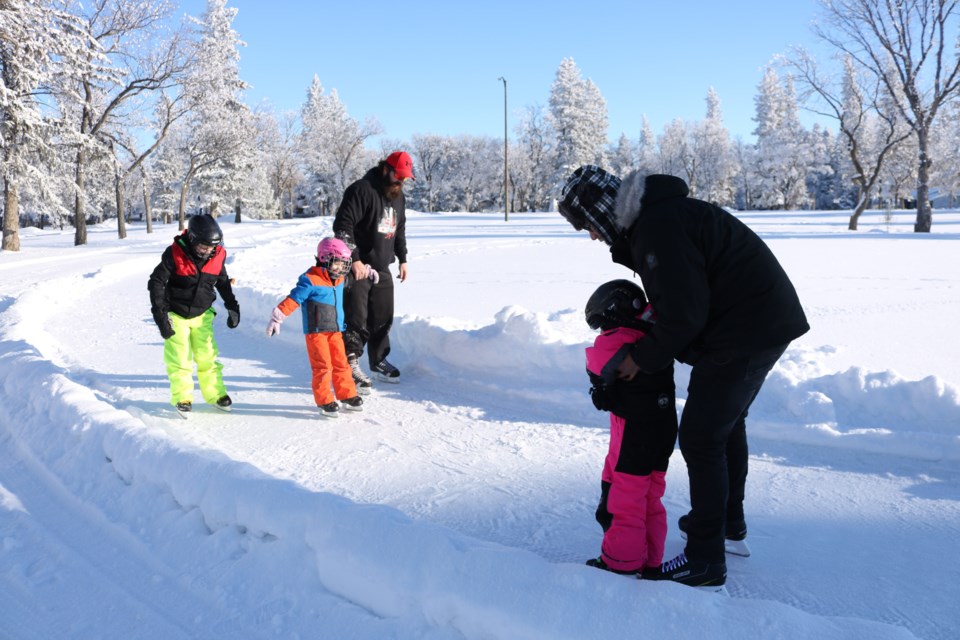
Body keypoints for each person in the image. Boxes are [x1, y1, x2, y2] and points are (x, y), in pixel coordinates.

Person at [559, 165, 809, 589]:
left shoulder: (656, 227)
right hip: (757, 322)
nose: (593, 236)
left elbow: (683, 314)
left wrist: (640, 358)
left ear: (601, 211)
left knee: (701, 437)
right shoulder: (660, 218)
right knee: (724, 426)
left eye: (588, 226)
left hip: (746, 328)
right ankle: (728, 527)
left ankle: (704, 559)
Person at [583, 279, 678, 576]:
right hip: (662, 427)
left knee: (624, 496)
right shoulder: (655, 336)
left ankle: (620, 562)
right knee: (650, 494)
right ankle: (650, 559)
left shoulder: (620, 338)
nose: (601, 331)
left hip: (634, 432)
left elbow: (595, 364)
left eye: (601, 323)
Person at [265, 237, 375, 418]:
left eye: (343, 265)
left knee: (341, 363)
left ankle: (347, 394)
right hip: (317, 333)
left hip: (336, 330)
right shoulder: (310, 280)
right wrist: (278, 317)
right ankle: (324, 400)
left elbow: (352, 277)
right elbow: (294, 299)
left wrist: (368, 271)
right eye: (337, 264)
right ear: (324, 259)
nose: (340, 269)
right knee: (323, 366)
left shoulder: (339, 278)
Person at [333, 150, 413, 388]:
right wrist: (354, 259)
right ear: (386, 169)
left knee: (382, 317)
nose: (401, 182)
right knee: (356, 317)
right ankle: (350, 362)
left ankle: (378, 360)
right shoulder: (361, 190)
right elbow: (342, 226)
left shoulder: (398, 197)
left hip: (382, 266)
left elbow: (399, 229)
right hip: (357, 266)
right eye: (399, 176)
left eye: (405, 178)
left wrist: (403, 258)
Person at [148, 214, 240, 415]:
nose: (208, 252)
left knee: (208, 356)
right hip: (176, 314)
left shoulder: (217, 255)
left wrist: (232, 305)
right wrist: (160, 316)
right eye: (203, 247)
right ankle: (183, 398)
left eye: (212, 247)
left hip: (202, 314)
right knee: (180, 359)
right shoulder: (174, 254)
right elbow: (156, 282)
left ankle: (216, 394)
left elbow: (222, 281)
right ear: (192, 239)